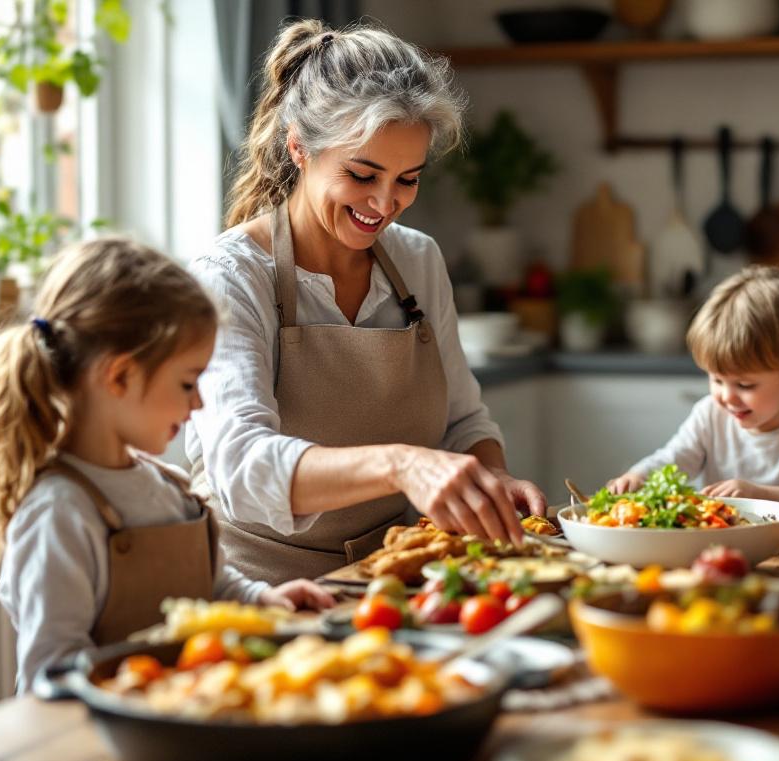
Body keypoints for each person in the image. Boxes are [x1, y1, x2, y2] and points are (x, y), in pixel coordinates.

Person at [189, 21, 546, 583]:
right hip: (262, 594)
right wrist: (400, 464)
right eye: (362, 174)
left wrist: (491, 478)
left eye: (408, 179)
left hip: (393, 578)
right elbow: (241, 468)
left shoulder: (418, 261)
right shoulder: (230, 277)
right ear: (298, 147)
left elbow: (462, 420)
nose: (384, 203)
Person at [0, 237, 333, 692]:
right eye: (187, 383)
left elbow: (213, 588)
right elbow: (52, 671)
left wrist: (261, 599)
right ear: (120, 376)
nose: (198, 403)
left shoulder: (168, 488)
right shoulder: (58, 513)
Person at [606, 266, 779, 503]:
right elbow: (673, 459)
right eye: (716, 380)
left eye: (745, 385)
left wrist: (758, 494)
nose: (726, 397)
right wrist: (638, 476)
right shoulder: (710, 414)